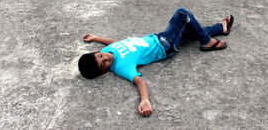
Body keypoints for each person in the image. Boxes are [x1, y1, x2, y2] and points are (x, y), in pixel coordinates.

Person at [78, 7, 234, 117]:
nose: (106, 58)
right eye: (104, 63)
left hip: (157, 37)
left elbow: (114, 42)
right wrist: (144, 100)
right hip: (165, 46)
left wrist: (95, 38)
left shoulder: (107, 51)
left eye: (100, 56)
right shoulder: (121, 67)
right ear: (105, 71)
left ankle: (221, 27)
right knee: (182, 14)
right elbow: (140, 82)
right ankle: (207, 42)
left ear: (97, 52)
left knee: (193, 31)